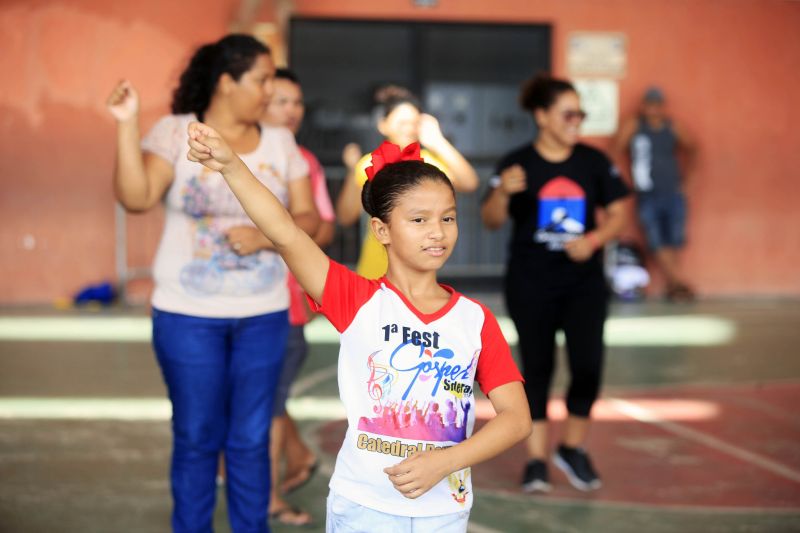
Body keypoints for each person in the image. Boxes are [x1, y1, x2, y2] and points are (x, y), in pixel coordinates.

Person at [187, 124, 532, 531]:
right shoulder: (355, 299)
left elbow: (517, 418)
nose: (437, 231)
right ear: (381, 230)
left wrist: (447, 461)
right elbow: (284, 233)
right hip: (362, 509)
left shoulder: (474, 320)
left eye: (448, 217)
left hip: (444, 513)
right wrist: (230, 165)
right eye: (419, 219)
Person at [106, 34, 319, 533]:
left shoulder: (281, 143)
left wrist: (269, 238)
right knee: (198, 435)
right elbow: (136, 198)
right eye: (262, 79)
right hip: (186, 316)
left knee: (249, 439)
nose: (271, 91)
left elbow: (311, 221)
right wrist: (126, 125)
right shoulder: (176, 132)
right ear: (227, 81)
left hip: (263, 315)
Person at [481, 74, 630, 493]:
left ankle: (572, 448)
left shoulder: (593, 162)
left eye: (580, 113)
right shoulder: (517, 164)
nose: (576, 121)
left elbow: (619, 213)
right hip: (531, 283)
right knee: (537, 370)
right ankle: (536, 460)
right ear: (542, 116)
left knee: (587, 367)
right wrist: (502, 194)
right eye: (568, 113)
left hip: (583, 285)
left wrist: (596, 240)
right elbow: (491, 220)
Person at [262, 67, 336, 526]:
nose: (292, 111)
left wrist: (267, 236)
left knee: (266, 403)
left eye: (298, 103)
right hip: (226, 303)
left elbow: (323, 226)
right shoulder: (225, 152)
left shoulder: (303, 160)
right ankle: (296, 453)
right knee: (256, 398)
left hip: (281, 304)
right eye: (281, 101)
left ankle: (269, 494)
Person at [336, 85, 480, 279]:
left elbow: (469, 183)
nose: (409, 128)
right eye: (402, 122)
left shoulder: (429, 162)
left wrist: (438, 141)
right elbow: (346, 217)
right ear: (383, 124)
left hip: (418, 274)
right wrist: (352, 170)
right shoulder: (370, 163)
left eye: (414, 123)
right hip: (375, 271)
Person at [613, 86, 697, 301]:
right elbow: (616, 149)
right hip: (647, 193)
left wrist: (687, 180)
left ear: (662, 107)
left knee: (674, 241)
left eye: (656, 105)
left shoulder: (672, 127)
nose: (652, 109)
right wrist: (621, 181)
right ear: (643, 106)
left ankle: (674, 286)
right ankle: (679, 283)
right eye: (648, 104)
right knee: (656, 241)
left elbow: (693, 148)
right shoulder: (635, 125)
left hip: (672, 192)